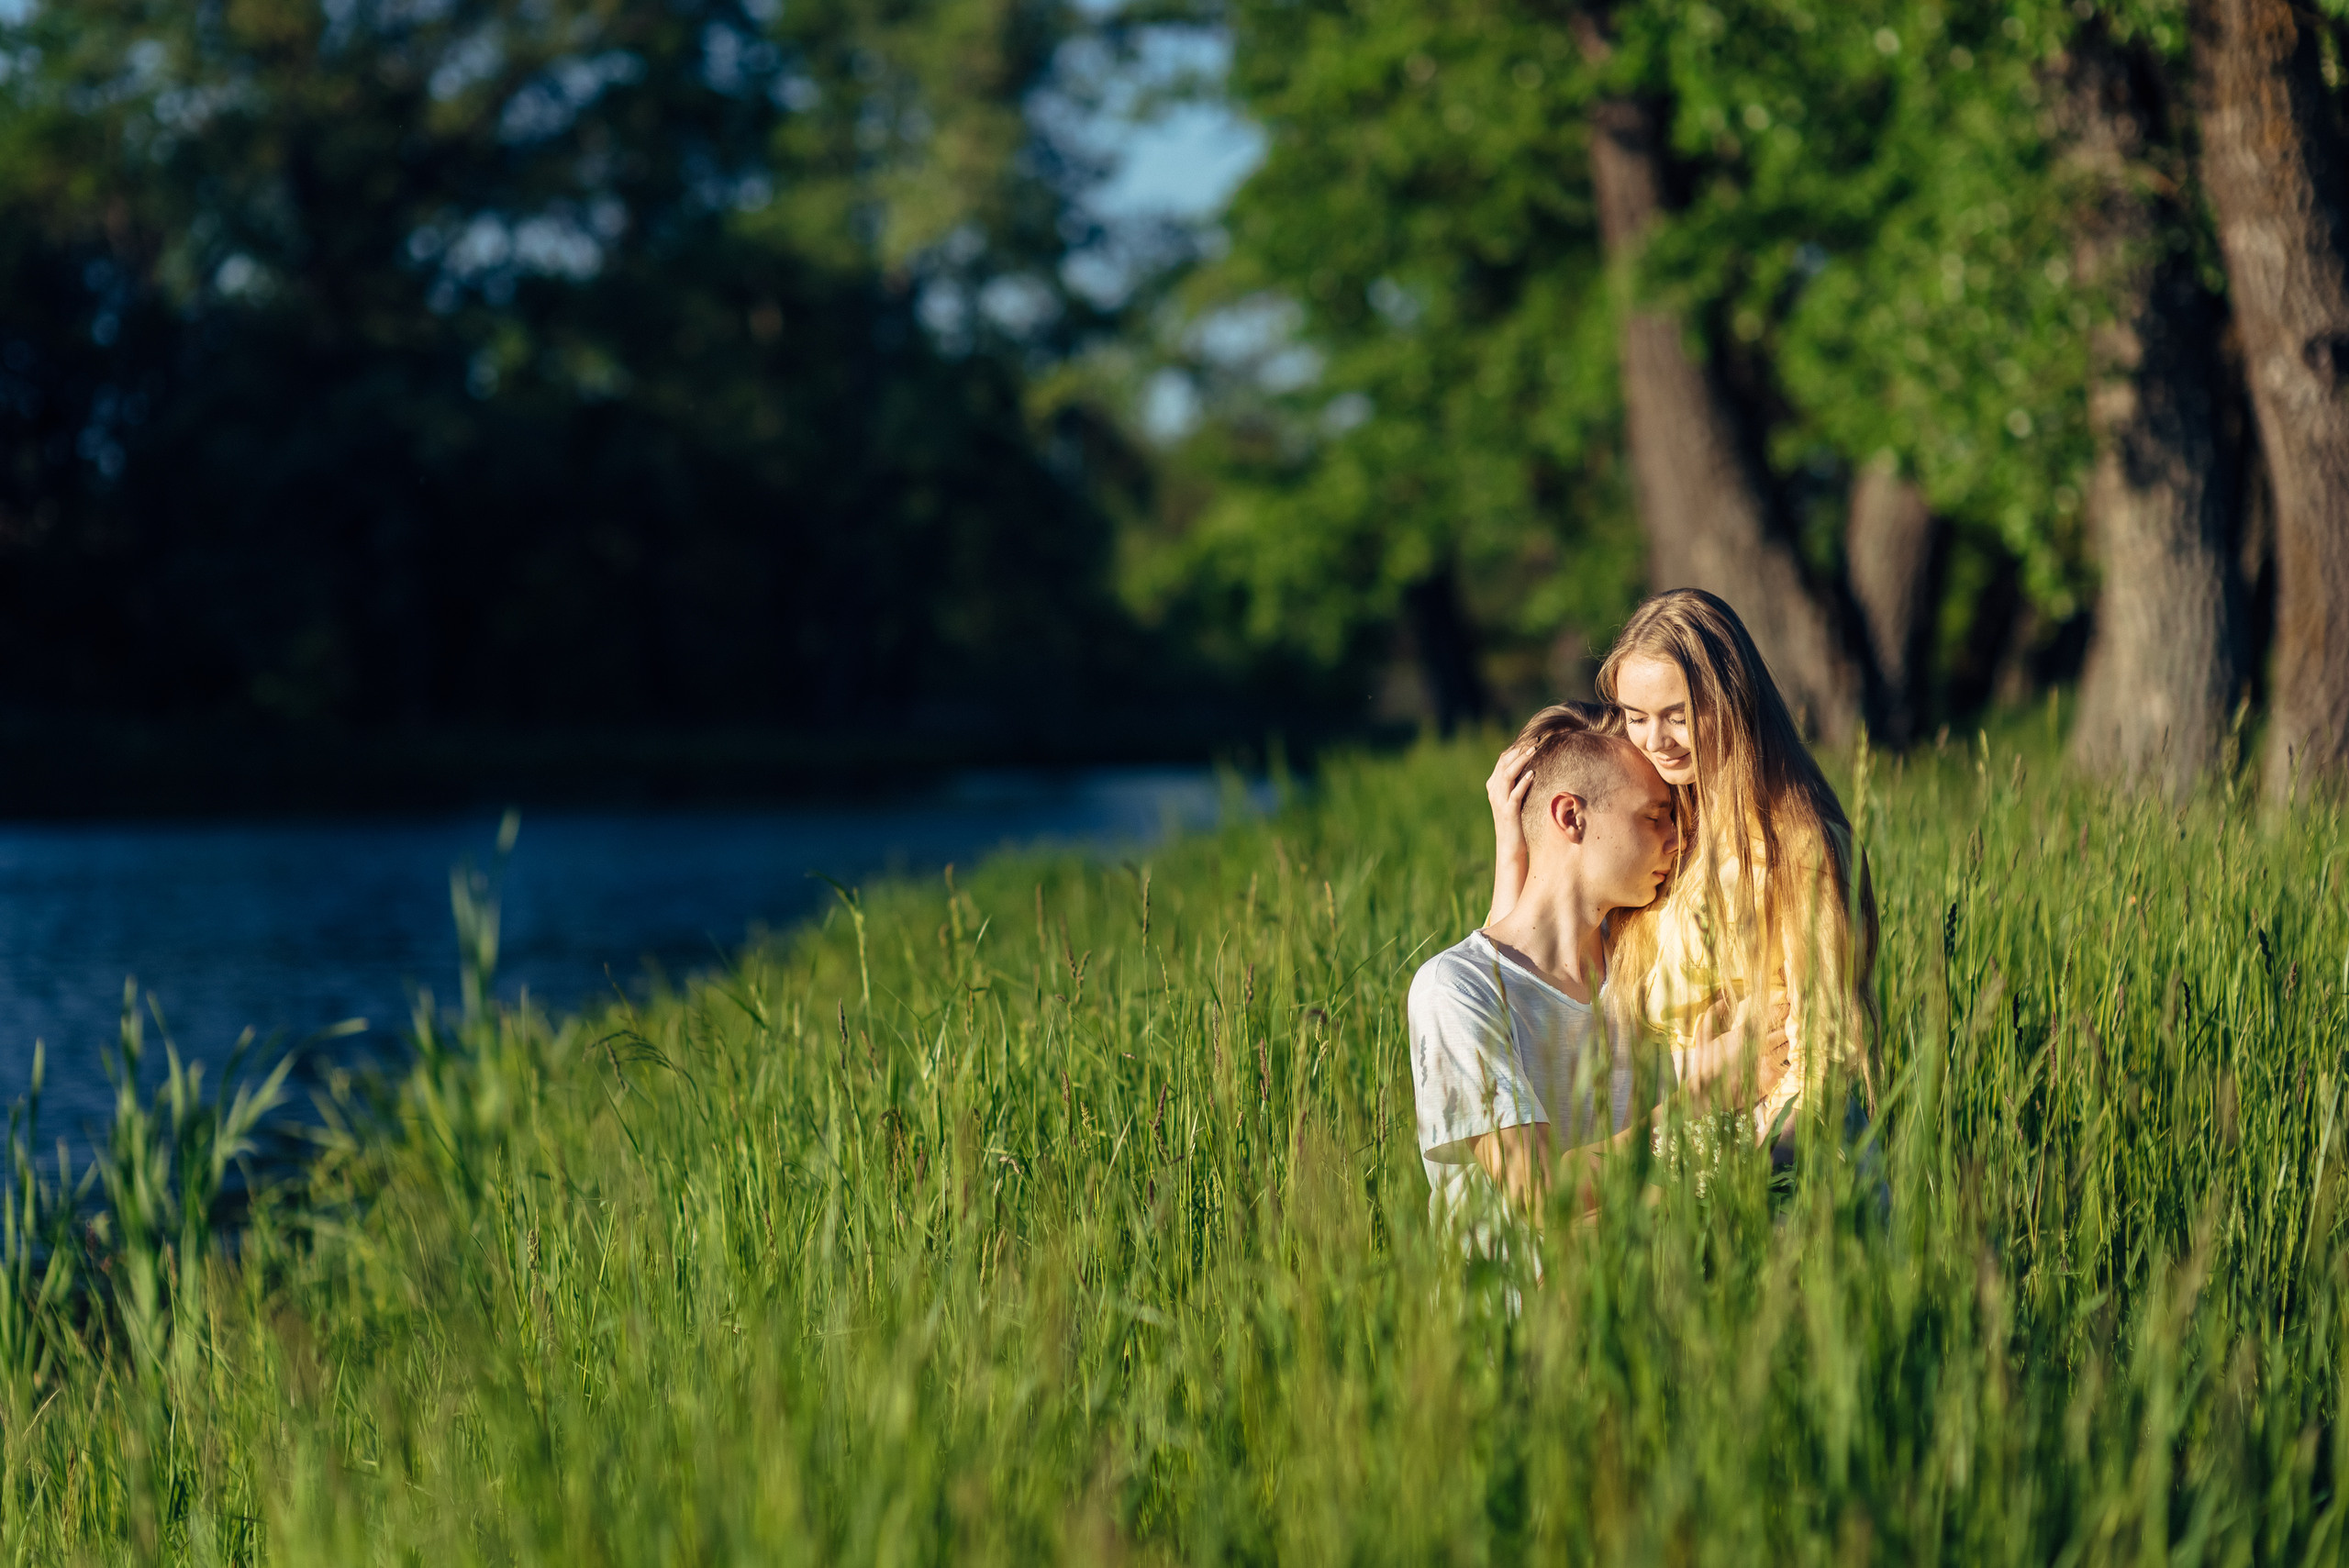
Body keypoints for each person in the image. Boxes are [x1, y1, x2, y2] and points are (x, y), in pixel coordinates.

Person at [1488, 590, 1876, 1157]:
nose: (1655, 741)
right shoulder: (1657, 838)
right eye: (1636, 717)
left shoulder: (1798, 845)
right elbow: (1518, 983)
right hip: (1673, 1163)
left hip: (1789, 1161)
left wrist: (1760, 1174)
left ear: (1733, 701)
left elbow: (1824, 1056)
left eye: (1679, 715)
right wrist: (1512, 841)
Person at [1408, 704, 1679, 1229]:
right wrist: (1709, 1094)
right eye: (1653, 816)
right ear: (1571, 817)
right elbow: (1536, 1193)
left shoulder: (1650, 968)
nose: (1677, 837)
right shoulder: (1454, 989)